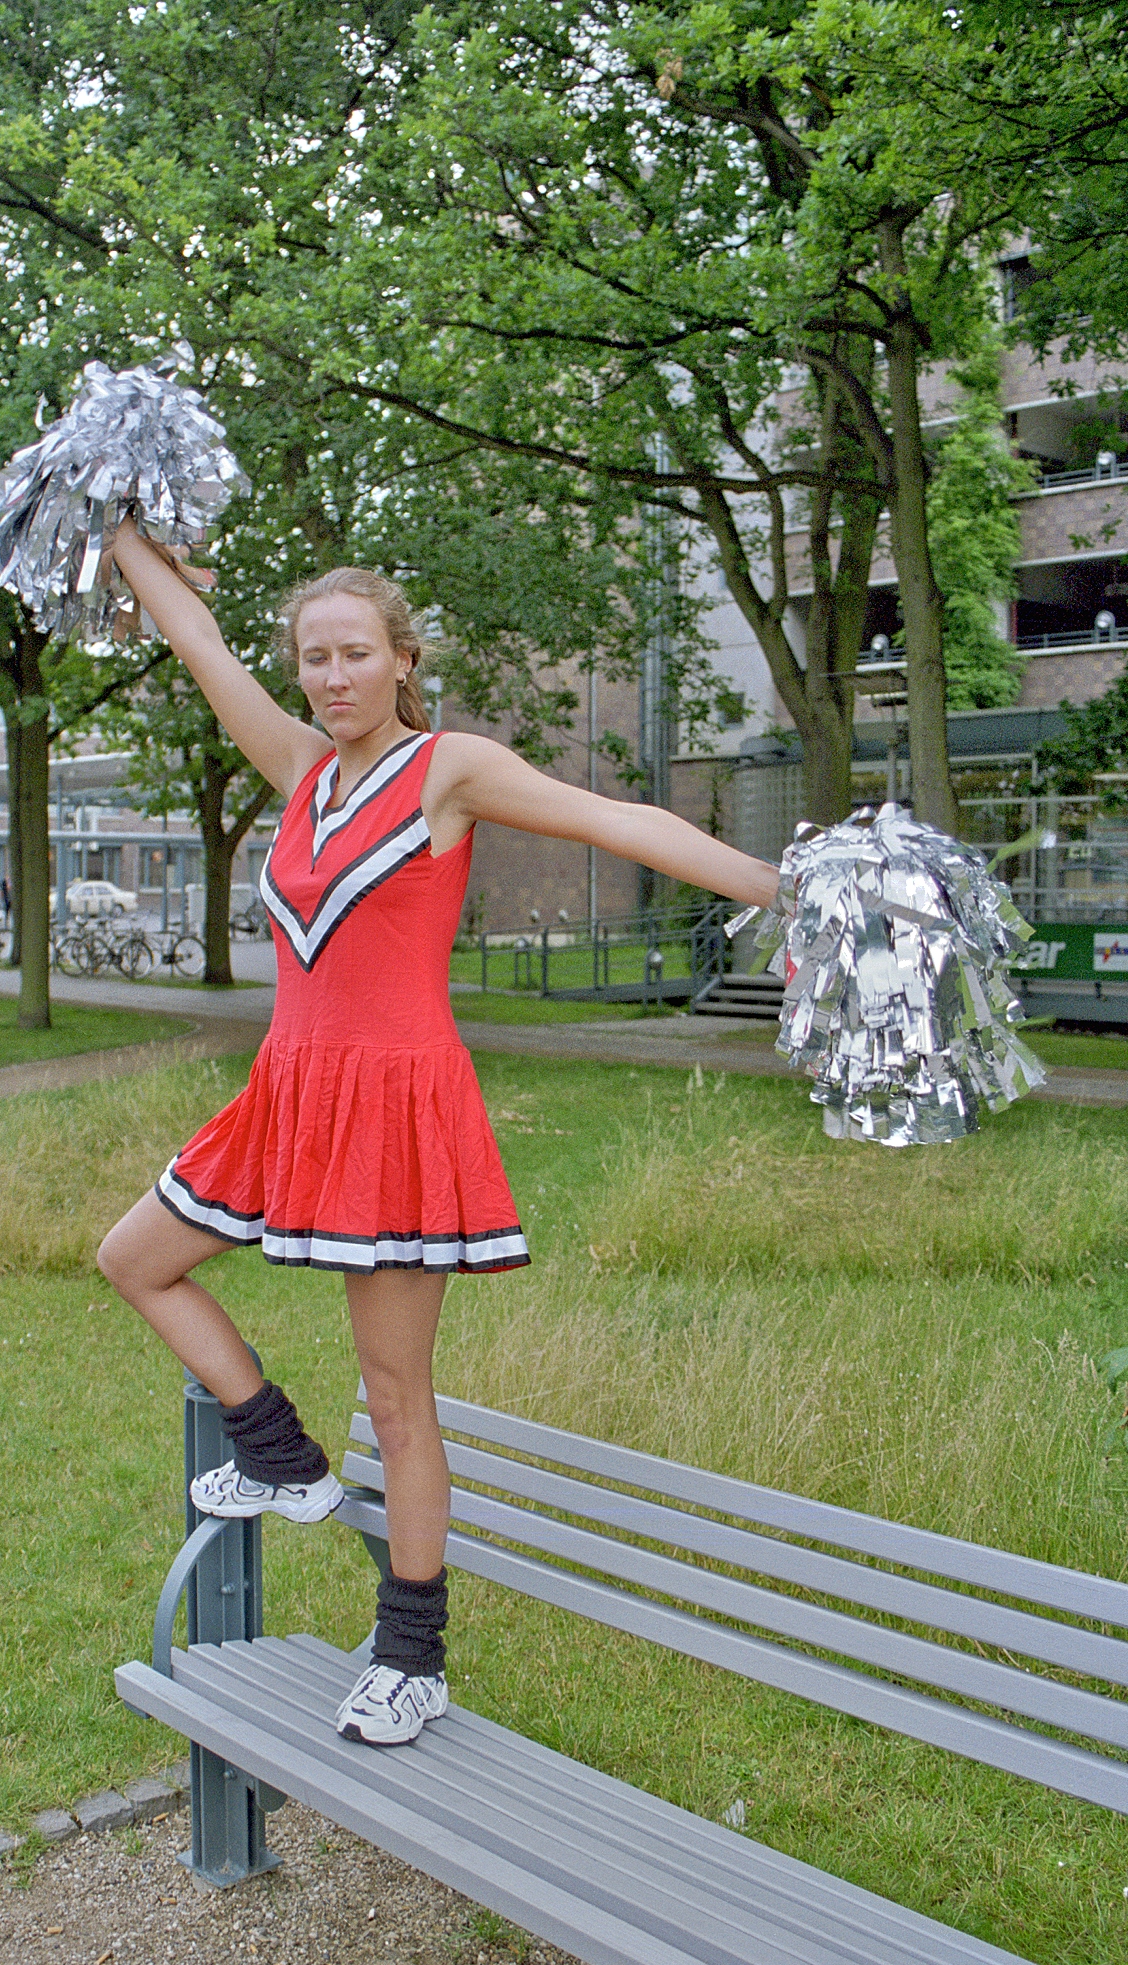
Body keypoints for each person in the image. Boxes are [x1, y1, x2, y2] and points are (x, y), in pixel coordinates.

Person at [97, 522, 779, 1747]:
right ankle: (281, 1454)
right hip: (290, 1094)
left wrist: (787, 889)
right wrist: (112, 527)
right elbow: (195, 639)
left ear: (402, 660)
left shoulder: (449, 770)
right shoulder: (301, 767)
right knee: (133, 1258)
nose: (333, 676)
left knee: (400, 1397)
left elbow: (615, 820)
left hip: (397, 1108)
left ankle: (412, 1656)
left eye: (356, 653)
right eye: (314, 656)